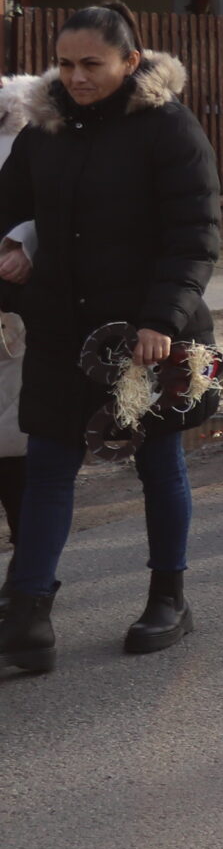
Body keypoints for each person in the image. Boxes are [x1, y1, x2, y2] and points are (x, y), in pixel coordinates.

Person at [0, 2, 220, 672]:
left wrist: (161, 320)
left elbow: (195, 235)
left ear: (130, 60)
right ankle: (29, 619)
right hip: (61, 329)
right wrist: (14, 246)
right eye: (65, 64)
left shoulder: (169, 127)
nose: (76, 77)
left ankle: (168, 598)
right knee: (48, 468)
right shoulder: (44, 127)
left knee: (159, 464)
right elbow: (11, 206)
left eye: (92, 63)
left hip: (145, 334)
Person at [0, 73, 42, 541]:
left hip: (12, 311)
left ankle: (29, 564)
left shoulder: (26, 131)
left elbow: (53, 209)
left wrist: (24, 244)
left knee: (12, 443)